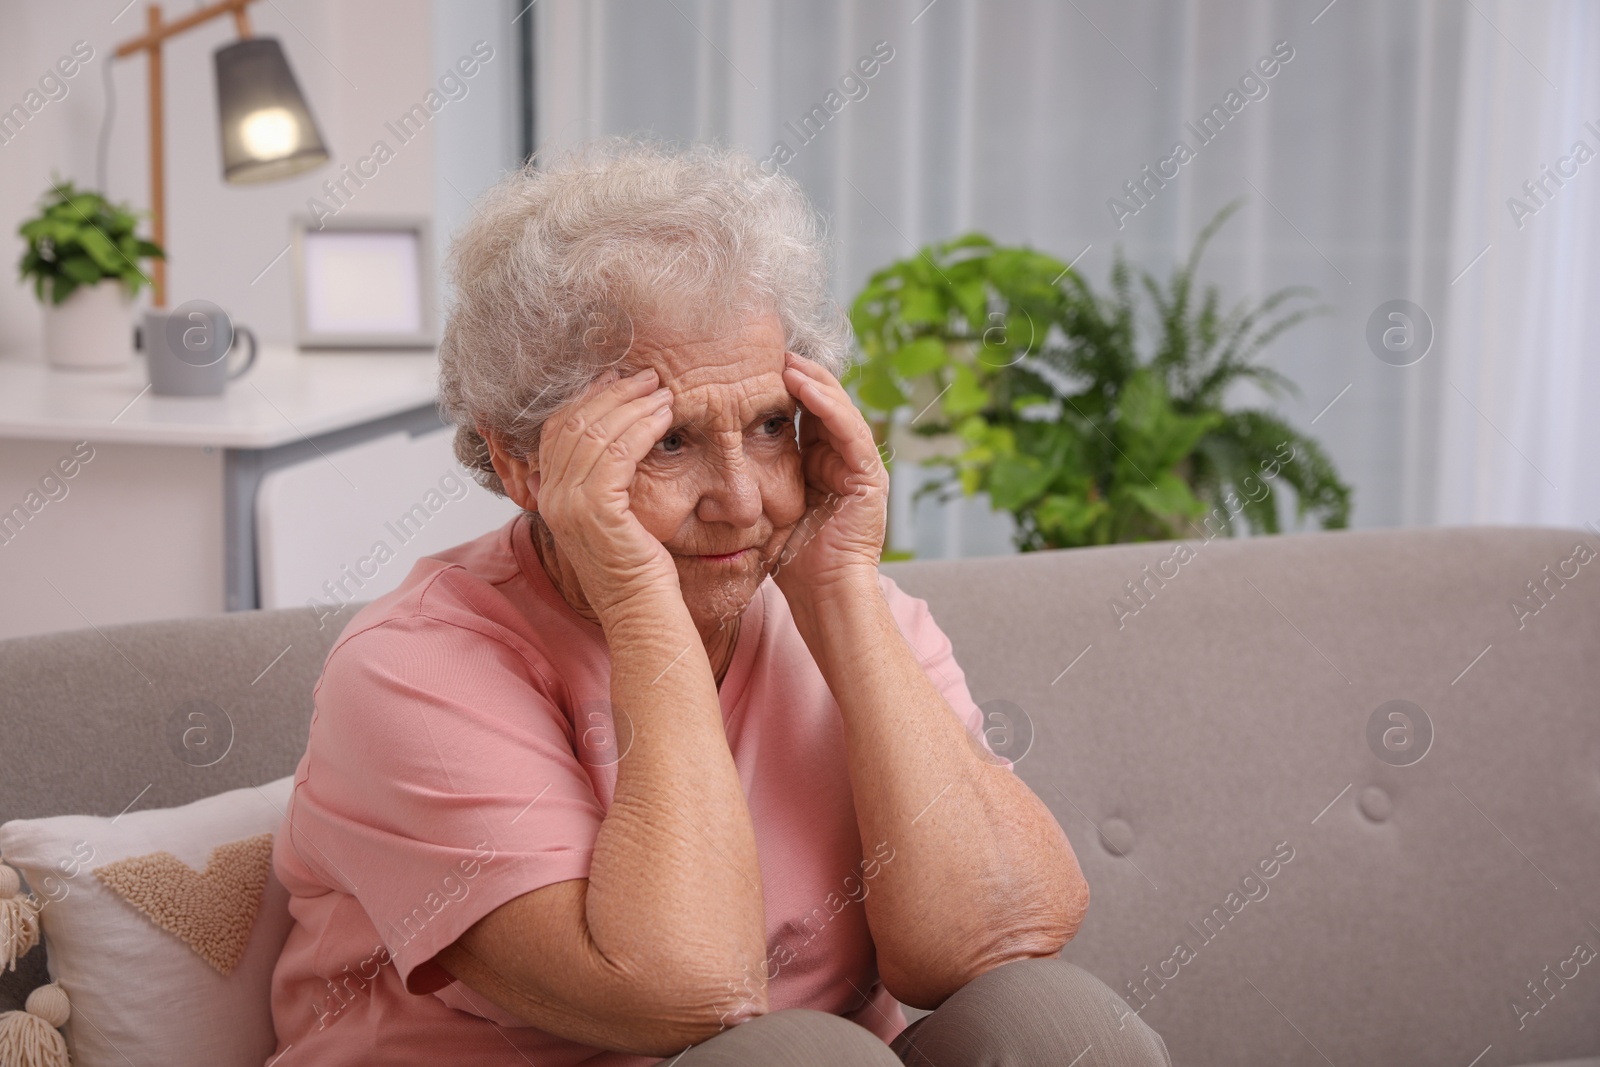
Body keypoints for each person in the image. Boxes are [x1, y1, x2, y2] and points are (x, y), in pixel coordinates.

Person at [263, 136, 1171, 1067]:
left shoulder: (849, 611)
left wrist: (843, 594)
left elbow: (991, 944)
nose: (742, 499)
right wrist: (638, 599)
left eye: (773, 425)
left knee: (1052, 1022)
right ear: (523, 464)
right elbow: (689, 994)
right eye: (668, 442)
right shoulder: (411, 671)